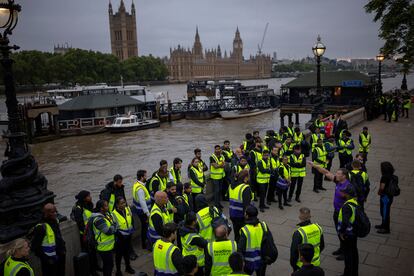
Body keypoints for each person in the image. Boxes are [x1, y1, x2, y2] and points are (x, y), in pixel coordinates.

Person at [307, 162, 353, 262]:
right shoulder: (338, 181)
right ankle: (341, 248)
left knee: (344, 232)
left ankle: (346, 252)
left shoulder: (348, 187)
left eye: (338, 174)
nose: (336, 175)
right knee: (338, 231)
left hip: (343, 214)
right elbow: (326, 172)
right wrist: (314, 165)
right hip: (336, 212)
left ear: (344, 176)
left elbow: (353, 201)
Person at [31, 203, 66, 276]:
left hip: (60, 256)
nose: (56, 213)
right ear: (46, 214)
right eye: (53, 212)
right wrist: (47, 259)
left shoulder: (55, 221)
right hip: (50, 261)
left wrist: (63, 249)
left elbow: (58, 237)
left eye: (56, 211)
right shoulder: (40, 227)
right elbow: (35, 247)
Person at [238, 206, 273, 276]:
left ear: (247, 216)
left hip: (249, 261)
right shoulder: (264, 225)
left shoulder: (245, 230)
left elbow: (240, 248)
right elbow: (270, 241)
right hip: (262, 259)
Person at [290, 207, 324, 272]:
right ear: (310, 216)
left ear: (299, 217)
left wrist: (293, 265)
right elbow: (322, 246)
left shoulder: (299, 233)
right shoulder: (318, 228)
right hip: (316, 263)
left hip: (302, 265)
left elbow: (294, 252)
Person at [337, 185, 360, 276]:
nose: (343, 193)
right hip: (354, 232)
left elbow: (345, 222)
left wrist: (342, 232)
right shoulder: (355, 202)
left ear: (348, 194)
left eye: (344, 192)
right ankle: (354, 272)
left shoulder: (347, 206)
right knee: (354, 253)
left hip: (348, 234)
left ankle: (347, 273)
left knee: (348, 255)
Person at [90, 200, 116, 276]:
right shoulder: (98, 219)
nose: (108, 207)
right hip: (103, 248)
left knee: (108, 265)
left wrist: (113, 226)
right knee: (109, 266)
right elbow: (108, 231)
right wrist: (114, 226)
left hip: (108, 246)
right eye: (106, 206)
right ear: (101, 208)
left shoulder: (105, 215)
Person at [111, 197, 135, 275]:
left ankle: (128, 267)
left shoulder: (127, 209)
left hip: (128, 236)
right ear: (117, 205)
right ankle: (118, 271)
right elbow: (114, 227)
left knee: (126, 253)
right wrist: (120, 235)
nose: (124, 204)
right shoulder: (113, 214)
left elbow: (131, 219)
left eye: (124, 202)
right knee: (119, 255)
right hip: (120, 238)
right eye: (122, 203)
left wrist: (132, 229)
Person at [179, 212, 208, 276]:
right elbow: (205, 243)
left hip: (187, 258)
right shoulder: (193, 237)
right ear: (193, 222)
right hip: (196, 262)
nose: (197, 221)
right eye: (196, 220)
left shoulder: (183, 229)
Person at [229, 169, 253, 242]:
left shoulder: (231, 185)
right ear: (245, 178)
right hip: (241, 216)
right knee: (243, 236)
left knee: (237, 235)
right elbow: (247, 205)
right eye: (248, 177)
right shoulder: (245, 188)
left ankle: (237, 249)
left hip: (232, 214)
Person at [132, 169, 152, 249]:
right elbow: (142, 202)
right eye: (145, 176)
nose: (146, 177)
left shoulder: (136, 184)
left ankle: (145, 244)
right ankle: (145, 244)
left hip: (138, 210)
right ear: (142, 177)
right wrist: (147, 214)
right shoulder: (140, 189)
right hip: (143, 212)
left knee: (144, 227)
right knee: (145, 228)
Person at [377, 161, 397, 234]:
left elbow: (382, 187)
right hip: (390, 196)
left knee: (385, 212)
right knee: (385, 211)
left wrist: (379, 192)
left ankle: (386, 229)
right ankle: (383, 225)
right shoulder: (392, 175)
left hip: (385, 196)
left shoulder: (384, 177)